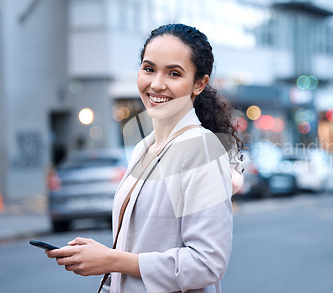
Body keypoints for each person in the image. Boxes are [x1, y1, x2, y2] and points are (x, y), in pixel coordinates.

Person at [46, 23, 243, 293]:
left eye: (174, 73)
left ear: (199, 84)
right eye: (149, 69)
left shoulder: (202, 149)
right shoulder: (142, 149)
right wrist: (105, 261)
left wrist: (111, 259)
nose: (156, 84)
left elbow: (207, 264)